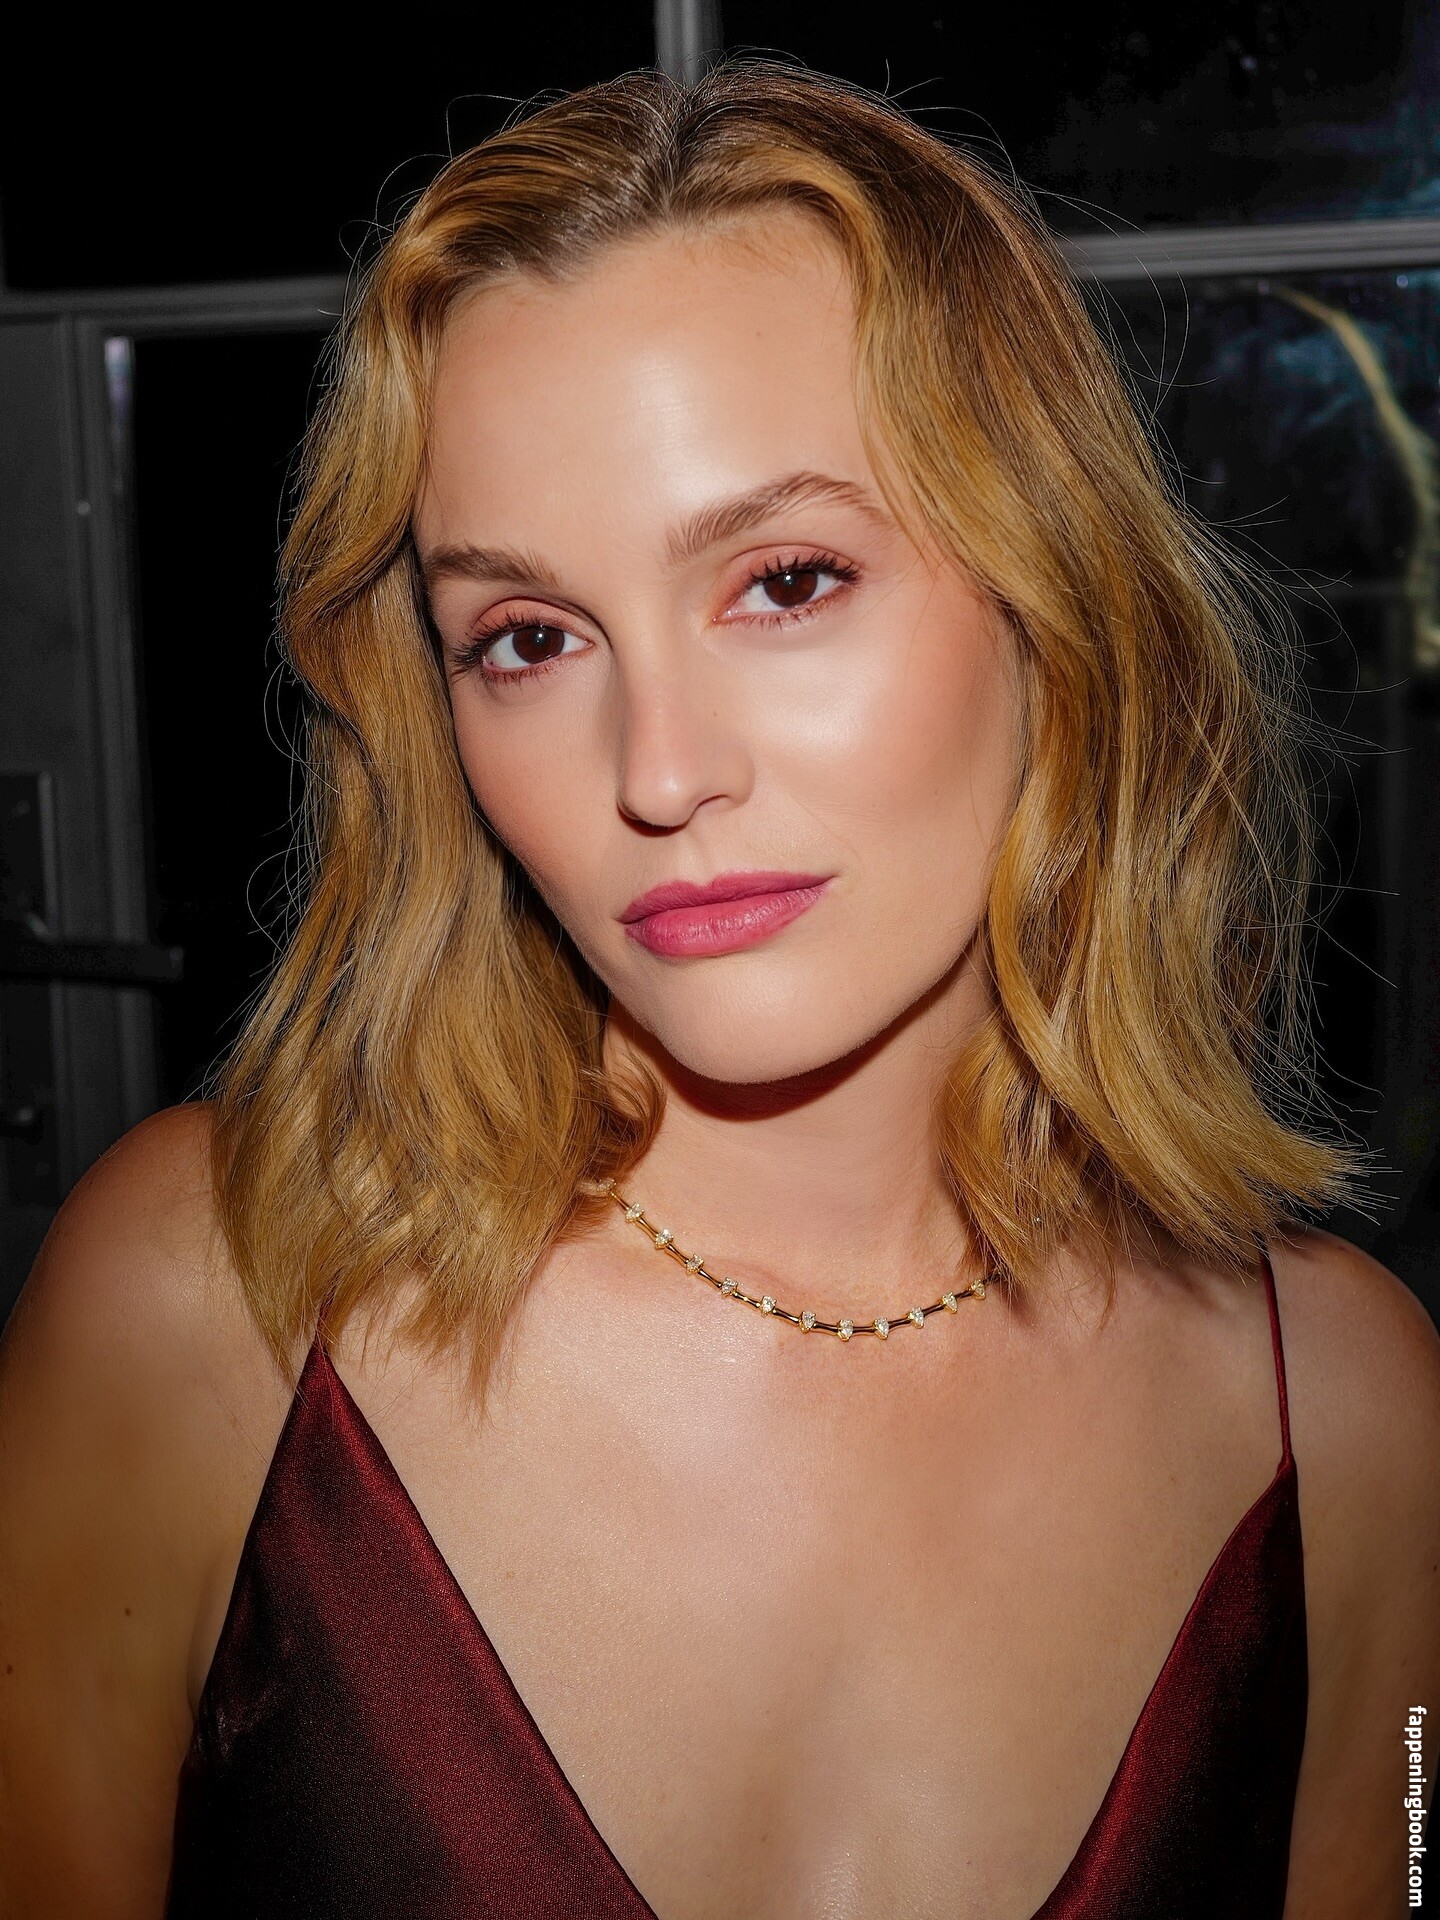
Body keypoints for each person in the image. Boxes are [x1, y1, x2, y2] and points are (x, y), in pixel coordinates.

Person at [2, 61, 1438, 1920]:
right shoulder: (211, 1297)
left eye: (787, 581)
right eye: (529, 637)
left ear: (1056, 601)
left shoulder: (1352, 1418)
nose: (660, 771)